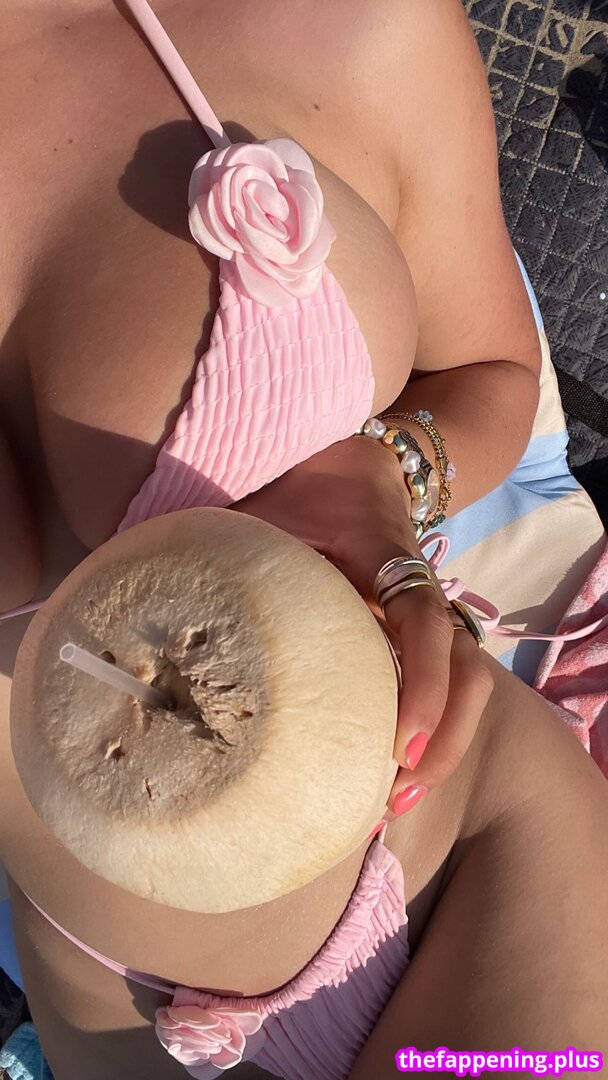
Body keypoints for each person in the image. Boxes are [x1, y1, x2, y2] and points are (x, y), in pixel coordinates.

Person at [1, 0, 607, 1074]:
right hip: (103, 988)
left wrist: (382, 472)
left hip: (457, 857)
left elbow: (491, 371)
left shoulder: (349, 21)